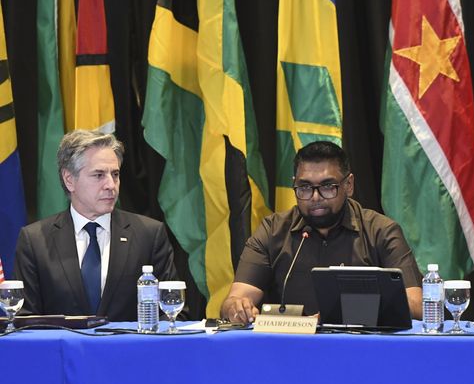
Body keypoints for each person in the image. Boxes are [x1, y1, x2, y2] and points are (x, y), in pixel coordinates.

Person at [221, 141, 423, 323]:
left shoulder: (381, 231)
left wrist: (339, 313)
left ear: (349, 185)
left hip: (360, 350)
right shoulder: (272, 230)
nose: (315, 197)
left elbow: (416, 304)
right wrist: (236, 308)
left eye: (327, 186)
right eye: (305, 187)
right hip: (290, 351)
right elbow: (235, 299)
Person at [14, 130, 180, 321]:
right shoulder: (35, 240)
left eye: (115, 174)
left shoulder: (149, 235)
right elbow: (24, 321)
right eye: (99, 175)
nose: (111, 184)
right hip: (64, 351)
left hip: (129, 351)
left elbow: (173, 312)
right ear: (69, 180)